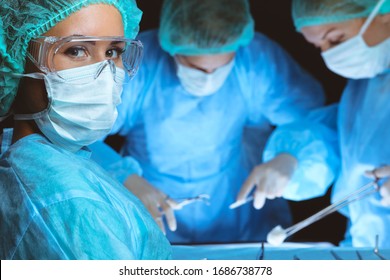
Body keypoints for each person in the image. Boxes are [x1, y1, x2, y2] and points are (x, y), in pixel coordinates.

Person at [91, 0, 326, 244]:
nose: (209, 79)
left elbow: (315, 123)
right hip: (150, 214)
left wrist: (291, 156)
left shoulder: (254, 61)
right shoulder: (139, 63)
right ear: (171, 46)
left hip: (243, 223)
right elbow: (77, 139)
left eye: (222, 66)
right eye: (195, 67)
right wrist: (123, 178)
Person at [0, 0, 172, 259]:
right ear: (15, 62)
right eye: (77, 51)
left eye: (113, 52)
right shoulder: (66, 203)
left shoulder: (46, 162)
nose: (104, 74)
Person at [244, 0, 390, 247]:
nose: (329, 55)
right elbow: (346, 137)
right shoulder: (366, 84)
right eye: (318, 46)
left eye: (335, 39)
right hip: (367, 247)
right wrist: (294, 154)